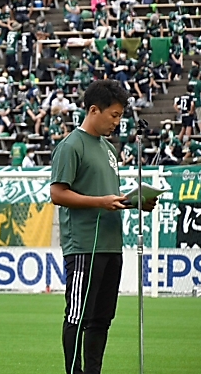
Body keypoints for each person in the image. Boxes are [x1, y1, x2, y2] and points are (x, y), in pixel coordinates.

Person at [50, 80, 158, 374]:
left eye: (120, 116)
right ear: (94, 110)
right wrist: (100, 201)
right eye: (114, 115)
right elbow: (57, 194)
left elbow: (109, 195)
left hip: (112, 244)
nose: (117, 122)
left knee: (102, 318)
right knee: (77, 315)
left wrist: (135, 202)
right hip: (85, 245)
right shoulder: (71, 146)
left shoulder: (109, 149)